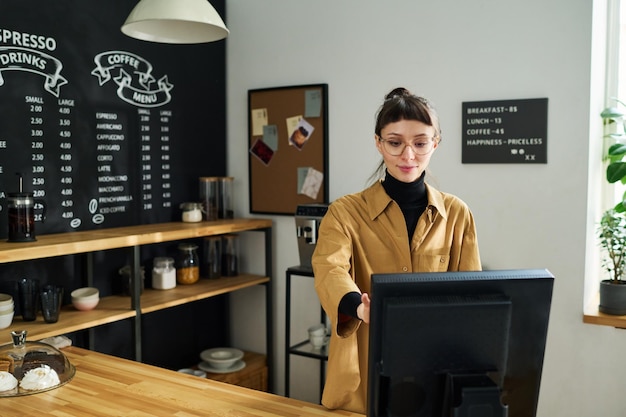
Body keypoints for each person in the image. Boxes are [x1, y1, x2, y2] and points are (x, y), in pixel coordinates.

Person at [312, 87, 482, 414]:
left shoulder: (458, 214)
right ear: (378, 143)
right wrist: (359, 309)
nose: (408, 156)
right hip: (363, 370)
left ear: (435, 143)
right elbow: (329, 271)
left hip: (435, 371)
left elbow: (470, 295)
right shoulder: (345, 212)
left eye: (420, 143)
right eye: (395, 143)